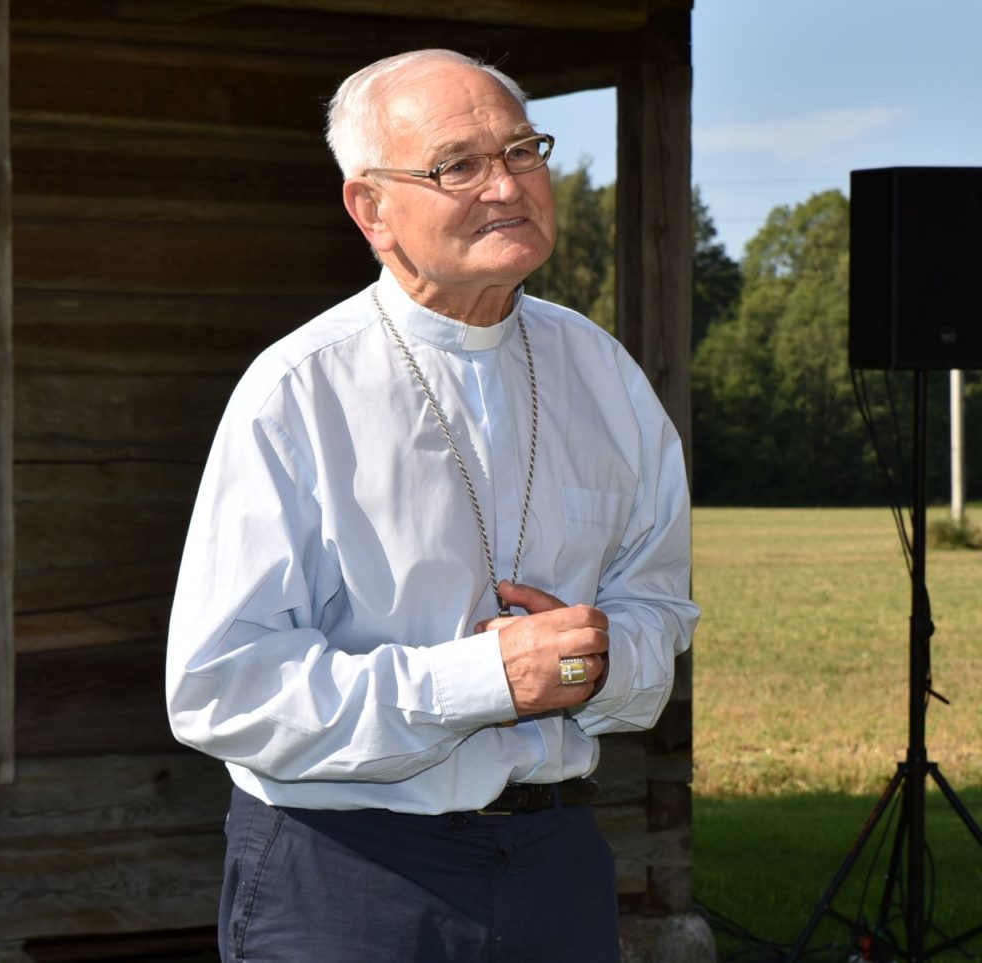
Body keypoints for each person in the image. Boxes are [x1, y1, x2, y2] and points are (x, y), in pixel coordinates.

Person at [166, 48, 699, 963]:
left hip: (555, 860)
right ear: (371, 208)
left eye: (523, 151)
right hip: (347, 873)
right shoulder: (298, 392)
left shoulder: (606, 376)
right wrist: (480, 682)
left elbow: (658, 611)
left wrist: (592, 664)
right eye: (459, 165)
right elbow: (220, 687)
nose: (507, 185)